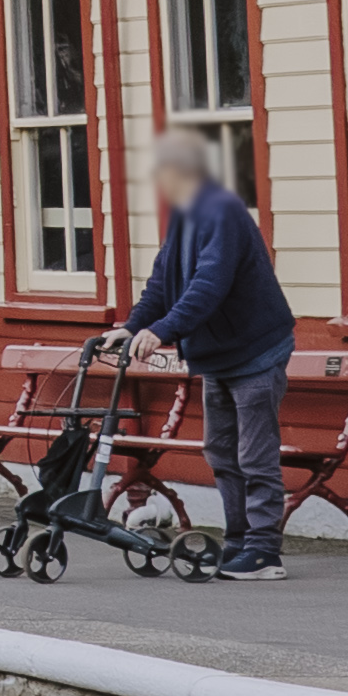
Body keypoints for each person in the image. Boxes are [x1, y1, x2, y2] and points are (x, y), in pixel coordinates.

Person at [122, 125, 301, 578]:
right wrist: (129, 329)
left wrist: (162, 331)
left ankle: (264, 552)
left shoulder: (222, 211)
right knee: (221, 452)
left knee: (255, 455)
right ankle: (238, 540)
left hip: (256, 351)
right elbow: (162, 283)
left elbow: (209, 286)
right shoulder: (184, 214)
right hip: (219, 355)